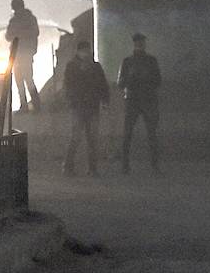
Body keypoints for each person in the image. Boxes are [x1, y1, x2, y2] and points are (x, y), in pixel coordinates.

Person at [117, 32, 162, 174]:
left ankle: (152, 165)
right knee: (130, 134)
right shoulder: (129, 62)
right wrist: (132, 79)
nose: (140, 46)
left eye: (141, 43)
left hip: (144, 99)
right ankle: (126, 165)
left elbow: (158, 80)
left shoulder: (149, 61)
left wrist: (144, 79)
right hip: (136, 100)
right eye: (138, 43)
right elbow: (121, 83)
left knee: (150, 134)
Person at [63, 41, 109, 176]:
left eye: (87, 51)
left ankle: (90, 168)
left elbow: (102, 84)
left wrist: (105, 99)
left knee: (91, 138)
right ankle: (69, 166)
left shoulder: (94, 67)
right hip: (80, 106)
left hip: (90, 106)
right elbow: (69, 86)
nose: (86, 53)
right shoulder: (73, 67)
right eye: (84, 51)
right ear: (79, 52)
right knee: (77, 137)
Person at [5, 0, 41, 112]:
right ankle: (32, 105)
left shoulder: (19, 20)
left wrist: (18, 34)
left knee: (23, 80)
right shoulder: (28, 19)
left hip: (21, 54)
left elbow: (9, 36)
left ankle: (29, 105)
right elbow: (8, 36)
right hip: (22, 54)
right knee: (24, 80)